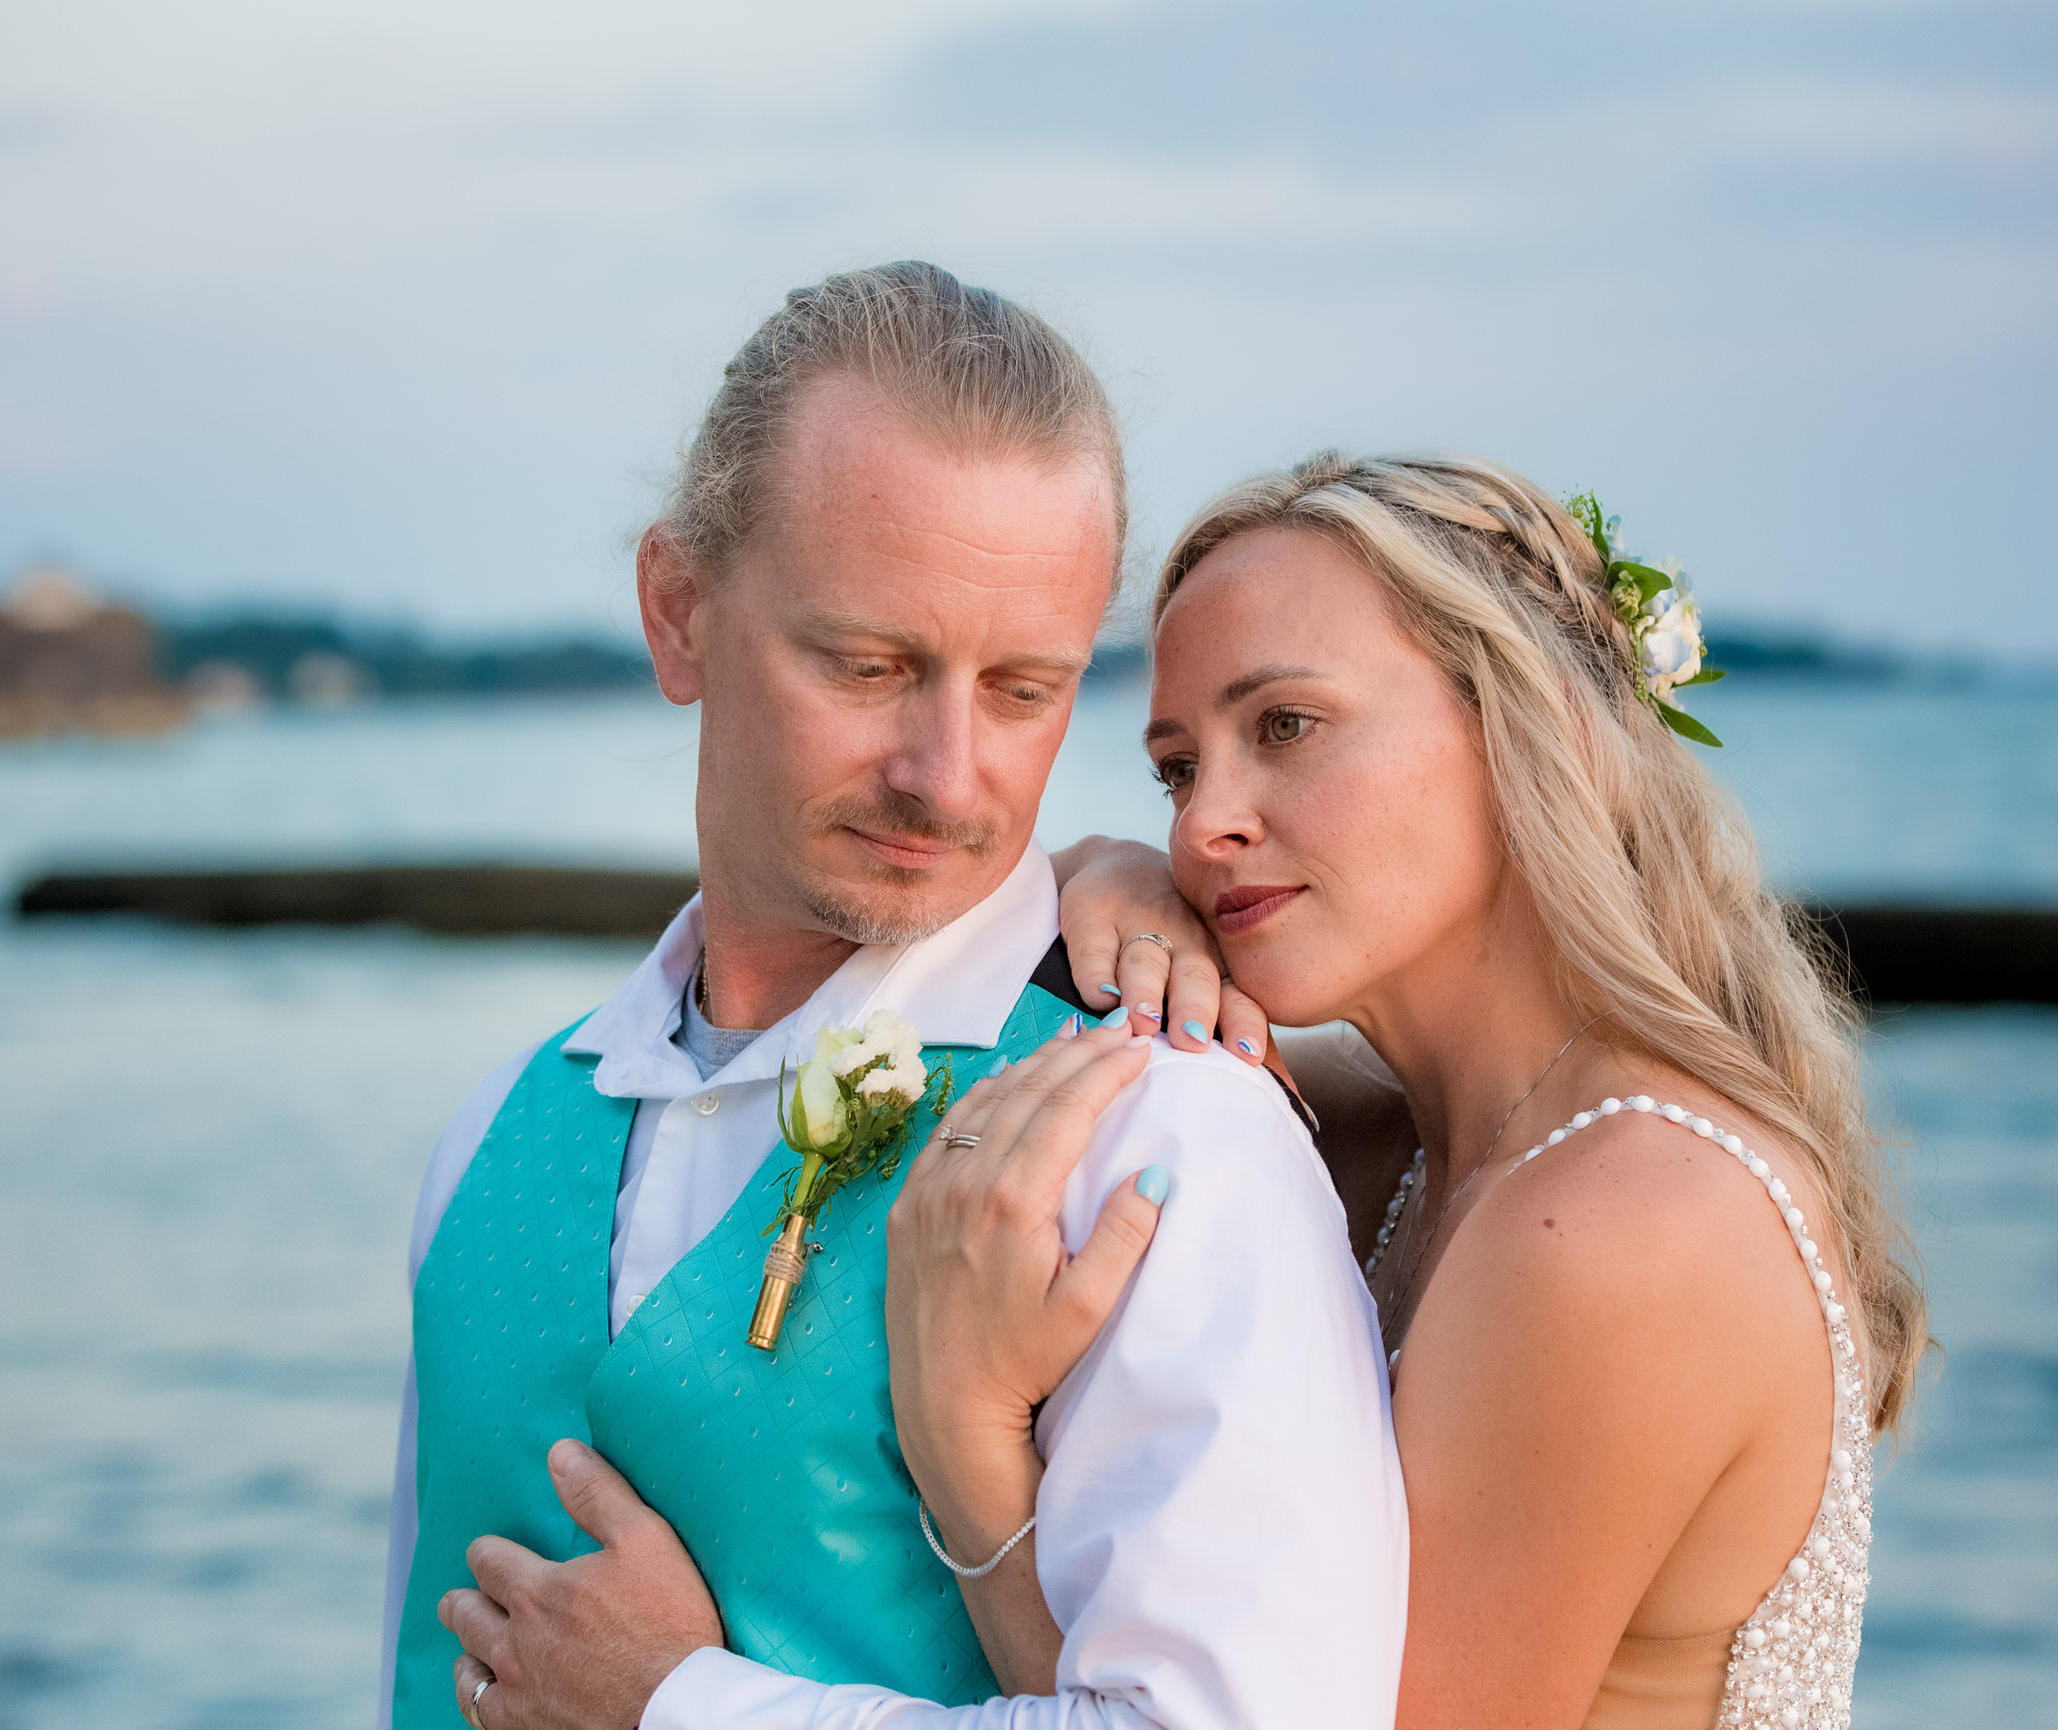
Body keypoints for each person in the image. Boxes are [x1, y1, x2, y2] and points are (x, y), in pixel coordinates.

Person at [386, 265, 1407, 1730]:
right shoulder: (488, 1141)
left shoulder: (1164, 1142)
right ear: (678, 612)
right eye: (868, 667)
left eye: (1023, 690)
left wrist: (678, 1706)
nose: (946, 775)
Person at [891, 452, 1930, 1727]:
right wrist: (1104, 874)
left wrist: (968, 1453)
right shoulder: (1372, 1133)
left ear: (1533, 721)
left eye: (1285, 726)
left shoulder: (1630, 1227)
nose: (1205, 823)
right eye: (1176, 768)